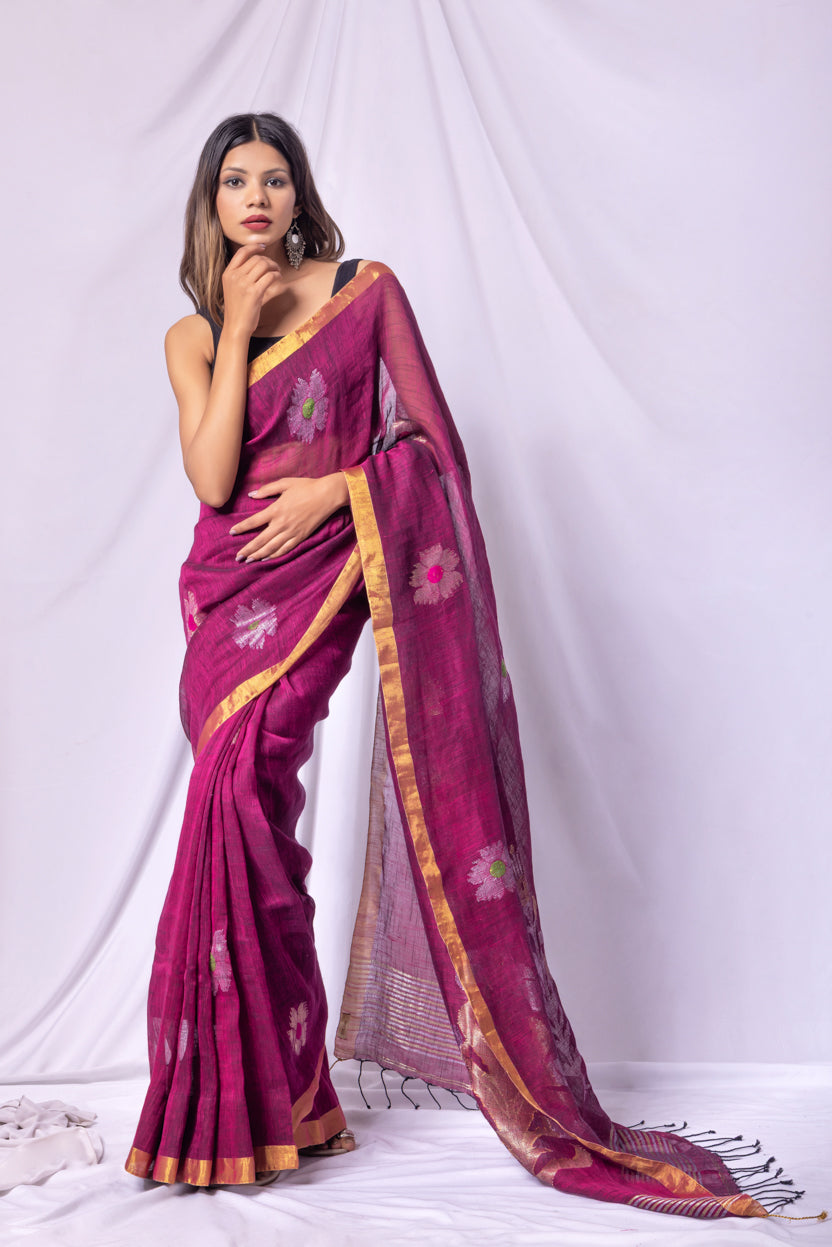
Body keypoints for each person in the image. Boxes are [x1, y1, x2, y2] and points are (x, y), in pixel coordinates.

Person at [124, 113, 792, 1219]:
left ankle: (265, 1095)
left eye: (275, 180)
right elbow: (209, 476)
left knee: (248, 793)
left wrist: (340, 492)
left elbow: (431, 447)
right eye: (235, 181)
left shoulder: (364, 292)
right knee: (239, 814)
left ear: (300, 197)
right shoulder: (191, 337)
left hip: (331, 575)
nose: (255, 198)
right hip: (224, 602)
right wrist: (236, 322)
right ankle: (279, 1102)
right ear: (210, 201)